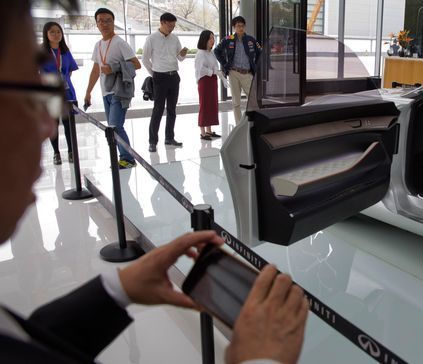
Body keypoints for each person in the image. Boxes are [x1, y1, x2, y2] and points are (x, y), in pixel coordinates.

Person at [0, 1, 309, 363]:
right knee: (124, 125)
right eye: (30, 93)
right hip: (155, 79)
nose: (49, 126)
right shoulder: (149, 42)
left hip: (170, 78)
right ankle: (134, 148)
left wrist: (119, 289)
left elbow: (24, 340)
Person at [84, 8, 140, 169]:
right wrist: (88, 91)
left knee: (115, 125)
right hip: (105, 91)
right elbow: (96, 69)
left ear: (113, 22)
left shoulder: (120, 43)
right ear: (96, 24)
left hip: (120, 91)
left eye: (108, 20)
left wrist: (114, 68)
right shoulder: (98, 45)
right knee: (112, 127)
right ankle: (124, 157)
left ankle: (128, 158)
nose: (104, 24)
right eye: (100, 21)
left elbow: (137, 64)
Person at [142, 12, 187, 153]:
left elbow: (179, 58)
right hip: (160, 78)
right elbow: (144, 59)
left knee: (172, 110)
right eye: (169, 25)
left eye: (173, 26)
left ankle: (169, 138)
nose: (172, 28)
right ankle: (152, 141)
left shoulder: (175, 38)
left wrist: (183, 54)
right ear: (161, 22)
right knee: (158, 110)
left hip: (174, 76)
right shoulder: (151, 39)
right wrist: (154, 74)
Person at [41, 21, 78, 165]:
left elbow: (69, 70)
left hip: (67, 93)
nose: (56, 35)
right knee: (53, 124)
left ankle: (71, 152)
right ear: (46, 34)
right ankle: (56, 153)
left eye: (58, 32)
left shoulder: (65, 51)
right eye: (52, 32)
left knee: (69, 124)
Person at [215, 16, 262, 125]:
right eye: (238, 26)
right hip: (233, 73)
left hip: (247, 74)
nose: (240, 28)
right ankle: (239, 125)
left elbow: (260, 53)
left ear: (245, 27)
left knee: (253, 100)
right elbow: (216, 51)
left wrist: (255, 66)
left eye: (242, 26)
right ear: (234, 27)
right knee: (236, 102)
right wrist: (225, 64)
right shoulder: (228, 39)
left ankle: (252, 123)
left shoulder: (251, 40)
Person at [195, 30, 221, 140]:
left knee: (212, 104)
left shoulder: (211, 52)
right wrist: (212, 72)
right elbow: (200, 69)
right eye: (210, 38)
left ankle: (209, 130)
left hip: (212, 80)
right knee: (205, 105)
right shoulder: (200, 53)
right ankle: (202, 132)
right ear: (204, 39)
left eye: (213, 38)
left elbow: (215, 65)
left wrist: (216, 72)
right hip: (204, 81)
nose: (212, 40)